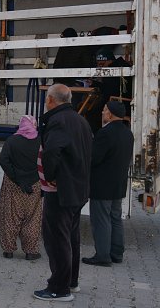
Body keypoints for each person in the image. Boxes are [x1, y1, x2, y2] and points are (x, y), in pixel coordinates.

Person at [33, 84, 92, 302]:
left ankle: (59, 288)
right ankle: (71, 281)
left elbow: (52, 152)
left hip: (60, 191)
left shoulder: (58, 121)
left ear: (50, 100)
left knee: (57, 240)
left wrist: (50, 177)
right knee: (70, 238)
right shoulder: (80, 120)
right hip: (77, 189)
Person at [82, 101, 133, 267]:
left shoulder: (105, 133)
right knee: (115, 218)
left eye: (104, 110)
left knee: (101, 220)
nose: (102, 113)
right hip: (118, 183)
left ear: (110, 114)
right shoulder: (128, 133)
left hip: (102, 184)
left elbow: (94, 158)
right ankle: (117, 253)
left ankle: (102, 256)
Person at [0, 115, 42, 260]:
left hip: (13, 184)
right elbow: (45, 162)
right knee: (32, 218)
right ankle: (30, 252)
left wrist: (16, 178)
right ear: (34, 125)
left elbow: (3, 160)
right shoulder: (40, 141)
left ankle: (8, 250)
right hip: (34, 184)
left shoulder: (12, 140)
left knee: (10, 217)